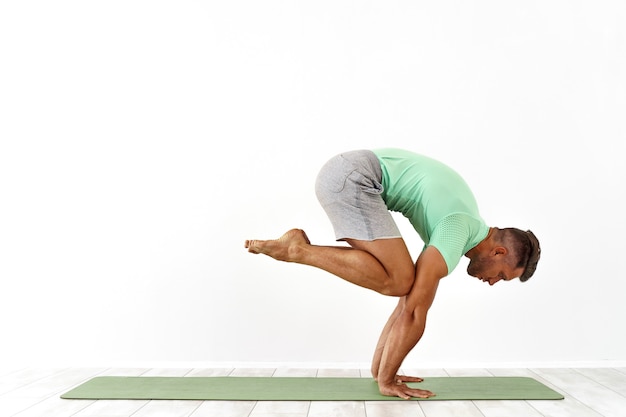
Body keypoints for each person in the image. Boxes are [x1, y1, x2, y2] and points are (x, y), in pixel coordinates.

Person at [244, 148, 541, 400]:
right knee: (400, 279)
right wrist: (387, 381)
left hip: (348, 175)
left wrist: (381, 372)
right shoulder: (456, 230)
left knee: (403, 280)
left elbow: (406, 303)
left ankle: (299, 250)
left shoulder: (462, 225)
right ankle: (297, 250)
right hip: (353, 179)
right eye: (501, 276)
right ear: (498, 253)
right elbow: (413, 313)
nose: (491, 282)